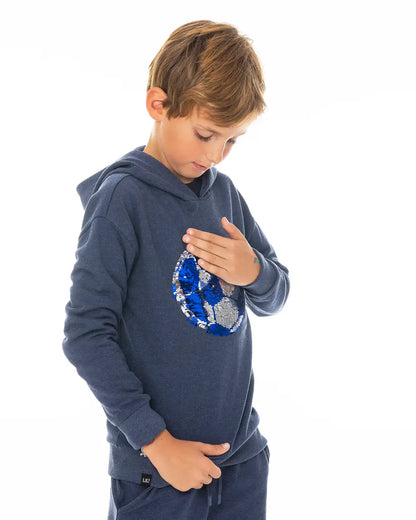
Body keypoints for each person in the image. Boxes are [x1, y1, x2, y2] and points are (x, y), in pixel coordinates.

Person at [62, 19, 290, 520]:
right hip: (159, 471)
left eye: (232, 141)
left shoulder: (224, 193)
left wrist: (254, 271)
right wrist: (156, 443)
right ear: (159, 105)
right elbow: (85, 335)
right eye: (205, 134)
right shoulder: (121, 201)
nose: (216, 155)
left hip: (241, 460)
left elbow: (277, 293)